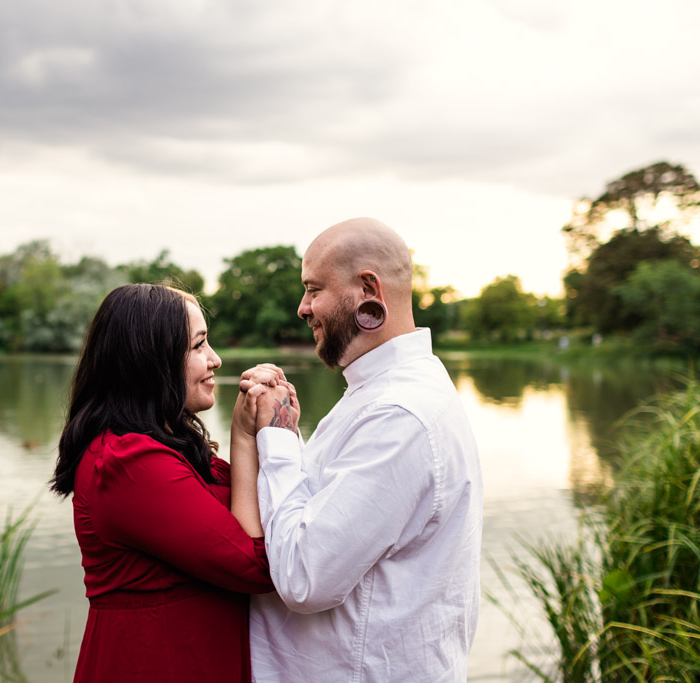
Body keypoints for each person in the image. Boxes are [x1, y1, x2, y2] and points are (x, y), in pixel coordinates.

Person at [235, 217, 484, 682]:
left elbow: (305, 578)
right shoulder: (380, 393)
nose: (302, 308)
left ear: (368, 289)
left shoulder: (399, 414)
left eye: (313, 289)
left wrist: (279, 439)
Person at [49, 283, 275, 683]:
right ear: (150, 358)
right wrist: (243, 437)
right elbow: (255, 566)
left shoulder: (167, 447)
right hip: (155, 665)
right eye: (199, 346)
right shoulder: (128, 464)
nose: (216, 360)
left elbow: (255, 506)